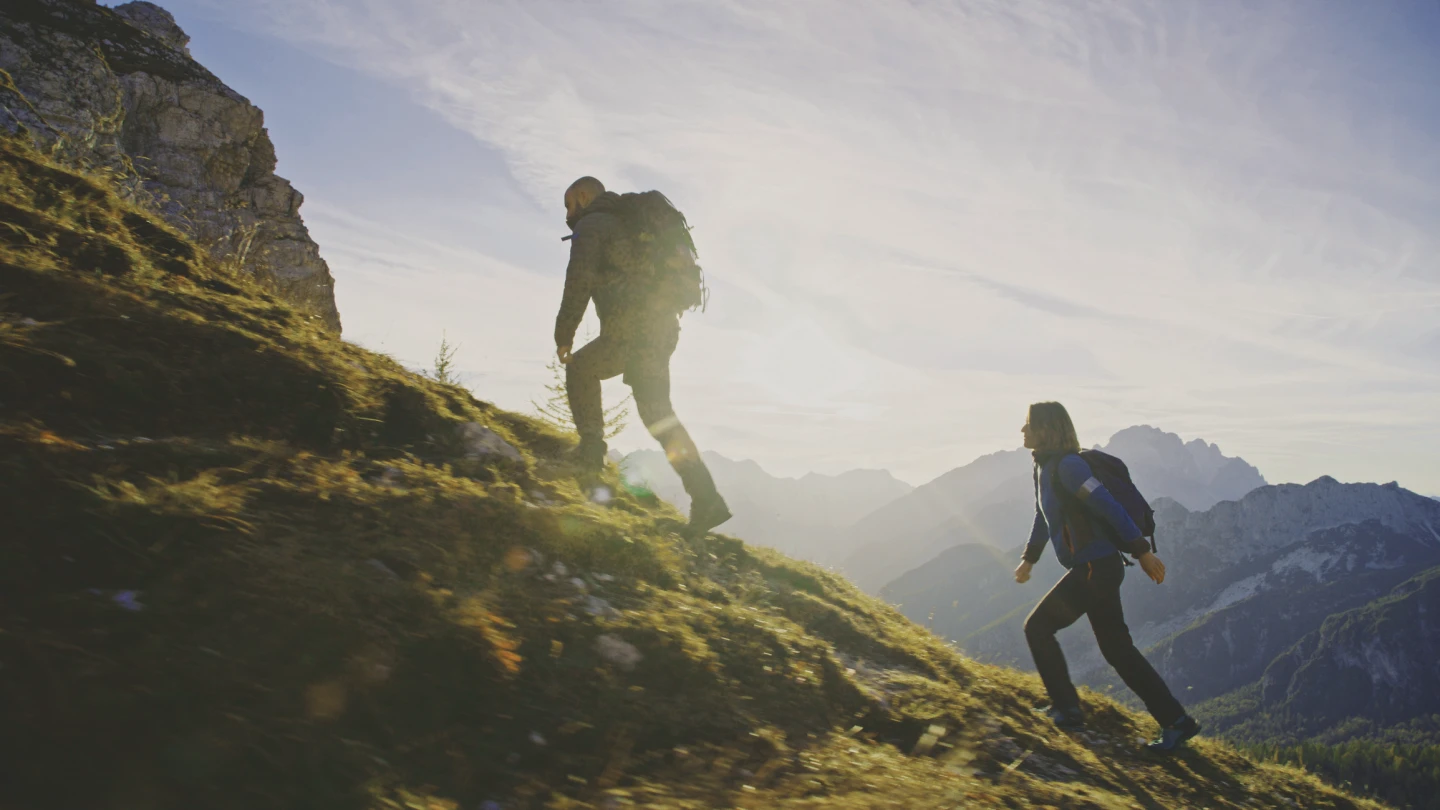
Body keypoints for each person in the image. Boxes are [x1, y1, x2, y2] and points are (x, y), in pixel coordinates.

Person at [1014, 401, 1201, 753]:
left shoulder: (1069, 467)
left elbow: (1106, 504)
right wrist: (1030, 558)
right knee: (1118, 649)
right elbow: (1045, 516)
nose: (1022, 431)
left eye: (1028, 424)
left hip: (1095, 569)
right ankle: (1177, 722)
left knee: (1037, 628)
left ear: (1047, 429)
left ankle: (1066, 709)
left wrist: (1141, 551)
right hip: (1094, 567)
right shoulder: (1045, 467)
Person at [554, 176, 731, 535]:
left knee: (581, 369)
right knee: (658, 415)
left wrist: (564, 332)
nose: (567, 215)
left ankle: (590, 454)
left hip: (630, 330)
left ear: (584, 197)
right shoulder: (631, 222)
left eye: (569, 205)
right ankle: (707, 498)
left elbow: (579, 279)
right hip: (662, 328)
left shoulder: (593, 225)